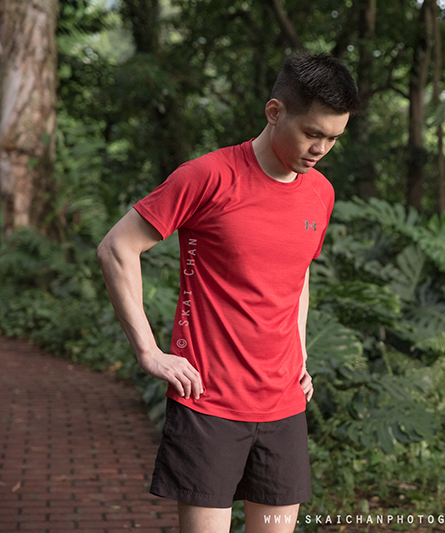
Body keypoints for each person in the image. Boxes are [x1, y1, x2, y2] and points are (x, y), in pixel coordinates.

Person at [97, 53, 360, 533]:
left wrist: (299, 354)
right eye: (312, 133)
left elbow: (297, 277)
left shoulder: (320, 193)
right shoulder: (208, 177)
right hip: (208, 403)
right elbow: (117, 248)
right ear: (275, 111)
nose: (321, 148)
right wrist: (149, 352)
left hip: (284, 407)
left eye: (333, 138)